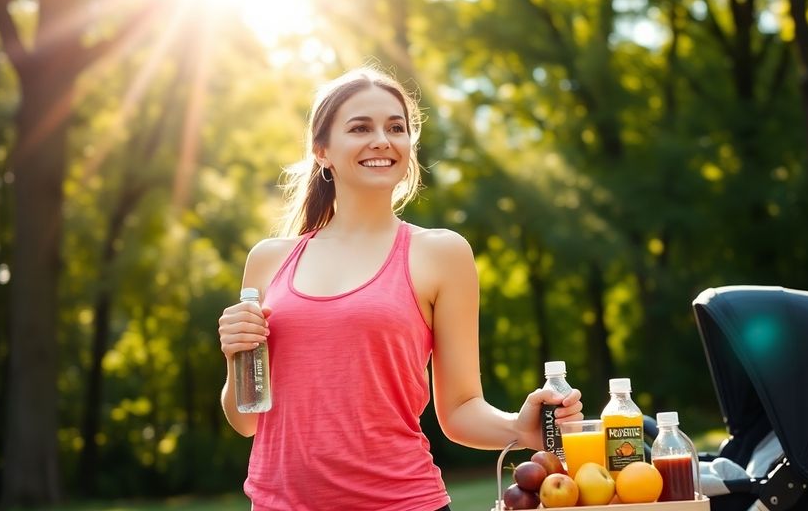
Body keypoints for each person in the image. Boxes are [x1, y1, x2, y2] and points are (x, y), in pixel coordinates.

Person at [216, 66, 584, 510]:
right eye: (360, 128)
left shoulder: (441, 253)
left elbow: (461, 409)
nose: (382, 140)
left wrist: (520, 428)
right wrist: (238, 357)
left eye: (396, 127)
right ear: (322, 150)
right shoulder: (268, 260)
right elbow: (246, 421)